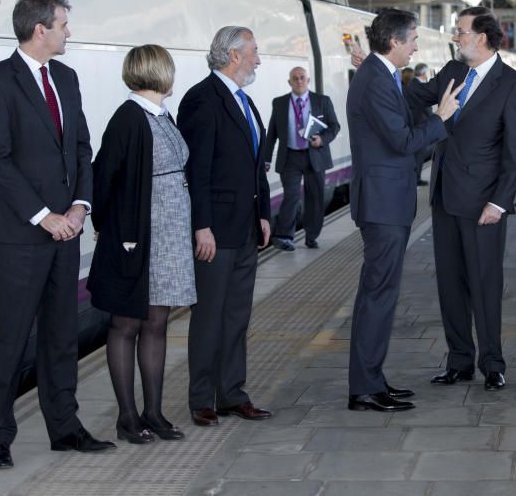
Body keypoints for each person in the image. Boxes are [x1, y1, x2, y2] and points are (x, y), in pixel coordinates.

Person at [0, 0, 114, 469]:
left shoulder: (67, 79)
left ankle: (65, 427)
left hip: (66, 230)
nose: (68, 32)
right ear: (40, 30)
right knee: (10, 335)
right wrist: (43, 215)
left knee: (61, 335)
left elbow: (80, 147)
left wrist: (78, 207)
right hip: (22, 234)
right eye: (63, 24)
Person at [404, 7, 516, 391]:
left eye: (460, 31)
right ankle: (459, 361)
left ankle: (492, 362)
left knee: (484, 282)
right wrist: (379, 69)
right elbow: (416, 95)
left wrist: (500, 202)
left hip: (482, 204)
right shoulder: (452, 73)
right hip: (445, 197)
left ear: (482, 36)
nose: (456, 37)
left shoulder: (511, 83)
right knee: (450, 284)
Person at [346, 8, 461, 412]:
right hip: (382, 204)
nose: (415, 46)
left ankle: (372, 379)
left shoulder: (381, 75)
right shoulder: (376, 80)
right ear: (394, 42)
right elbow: (400, 140)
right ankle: (364, 388)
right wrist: (441, 119)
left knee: (381, 294)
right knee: (377, 295)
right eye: (412, 39)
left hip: (386, 201)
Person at [87, 45, 195, 444]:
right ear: (158, 71)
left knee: (156, 321)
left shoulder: (163, 114)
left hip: (167, 238)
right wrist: (106, 226)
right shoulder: (129, 118)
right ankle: (128, 417)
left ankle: (154, 412)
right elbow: (104, 176)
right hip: (140, 237)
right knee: (127, 323)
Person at [178, 26, 274, 425]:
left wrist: (264, 213)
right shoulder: (202, 100)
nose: (257, 58)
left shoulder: (244, 101)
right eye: (253, 51)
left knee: (237, 316)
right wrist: (202, 226)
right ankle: (202, 398)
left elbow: (257, 166)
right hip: (215, 231)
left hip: (246, 228)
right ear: (234, 55)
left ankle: (232, 393)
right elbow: (195, 171)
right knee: (209, 316)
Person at [264, 66, 341, 251]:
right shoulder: (280, 103)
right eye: (295, 78)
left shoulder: (322, 101)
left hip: (314, 156)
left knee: (315, 197)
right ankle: (284, 236)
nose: (299, 81)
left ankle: (311, 236)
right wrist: (266, 159)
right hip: (290, 156)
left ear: (308, 81)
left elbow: (334, 126)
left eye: (302, 78)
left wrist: (322, 139)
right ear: (289, 82)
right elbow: (272, 134)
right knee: (290, 195)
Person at [412, 63, 433, 185]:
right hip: (420, 124)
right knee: (418, 155)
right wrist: (435, 119)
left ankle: (417, 177)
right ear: (423, 73)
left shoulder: (416, 84)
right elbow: (425, 107)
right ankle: (416, 179)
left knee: (419, 155)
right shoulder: (417, 85)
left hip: (419, 123)